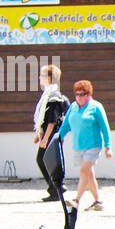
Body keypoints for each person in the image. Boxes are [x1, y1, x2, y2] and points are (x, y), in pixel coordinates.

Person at [57, 79, 112, 211]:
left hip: (93, 145)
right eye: (77, 94)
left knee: (84, 170)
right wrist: (58, 138)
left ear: (88, 94)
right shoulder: (73, 107)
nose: (79, 97)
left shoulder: (95, 107)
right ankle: (98, 201)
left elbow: (105, 127)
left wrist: (108, 146)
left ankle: (77, 200)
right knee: (89, 173)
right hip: (78, 146)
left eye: (82, 94)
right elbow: (66, 125)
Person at [33, 64, 69, 202]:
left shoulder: (53, 96)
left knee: (43, 160)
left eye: (42, 75)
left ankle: (57, 187)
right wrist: (39, 135)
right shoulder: (48, 94)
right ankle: (56, 188)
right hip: (50, 134)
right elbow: (45, 118)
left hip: (53, 134)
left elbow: (52, 121)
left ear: (48, 78)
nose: (39, 78)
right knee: (48, 161)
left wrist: (45, 139)